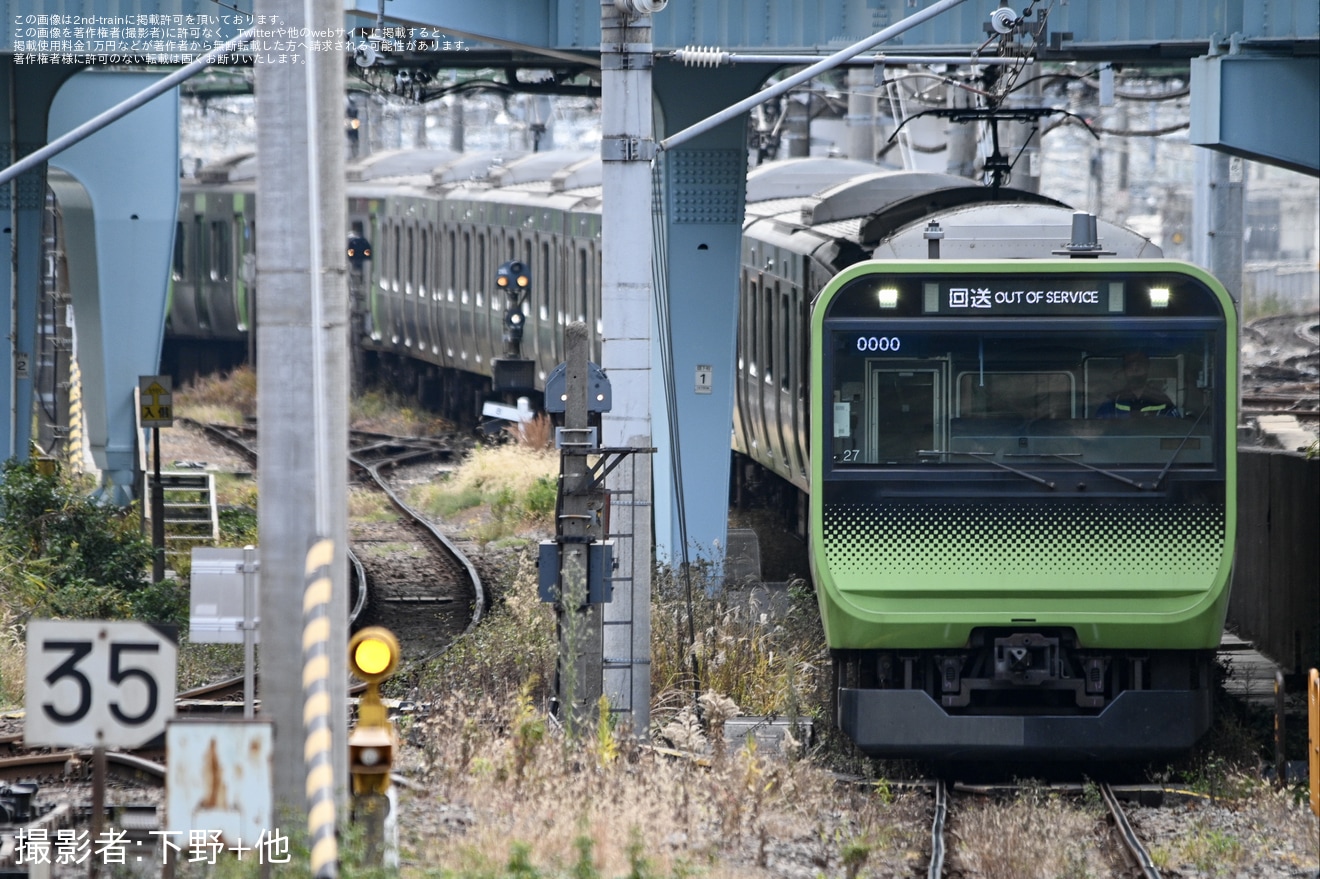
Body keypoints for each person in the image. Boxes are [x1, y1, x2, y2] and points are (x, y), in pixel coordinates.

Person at [1095, 351, 1180, 418]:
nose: (1135, 368)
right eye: (1130, 364)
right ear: (1124, 370)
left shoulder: (1163, 401)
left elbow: (1176, 433)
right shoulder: (1111, 403)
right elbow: (1099, 433)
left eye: (1140, 363)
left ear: (1147, 367)